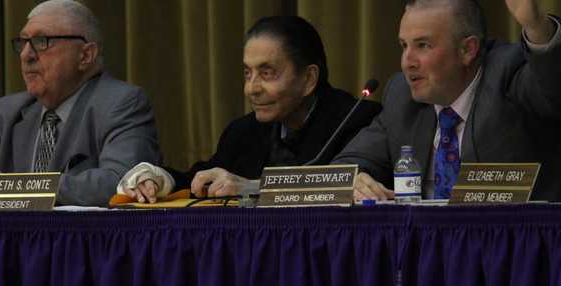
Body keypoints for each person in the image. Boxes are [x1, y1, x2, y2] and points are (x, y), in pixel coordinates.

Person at [333, 0, 561, 202]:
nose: (407, 61)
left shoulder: (509, 74)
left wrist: (536, 26)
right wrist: (356, 178)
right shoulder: (401, 96)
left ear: (467, 50)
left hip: (523, 237)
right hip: (426, 240)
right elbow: (351, 162)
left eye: (423, 45)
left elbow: (557, 87)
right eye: (403, 46)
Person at [120, 15, 382, 203]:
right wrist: (157, 179)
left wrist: (250, 187)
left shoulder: (356, 120)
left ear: (309, 79)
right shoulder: (244, 131)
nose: (251, 89)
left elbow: (337, 184)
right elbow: (203, 179)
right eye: (248, 73)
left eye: (267, 73)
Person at [0, 0, 161, 206]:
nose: (26, 55)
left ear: (85, 55)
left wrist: (8, 187)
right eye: (23, 42)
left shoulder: (120, 103)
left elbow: (124, 181)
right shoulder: (7, 112)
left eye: (42, 42)